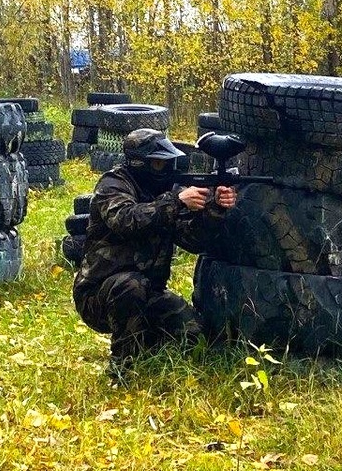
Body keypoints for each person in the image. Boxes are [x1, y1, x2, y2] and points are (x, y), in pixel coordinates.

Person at [73, 128, 237, 379]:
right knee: (130, 286)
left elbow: (191, 240)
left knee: (194, 335)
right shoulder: (113, 184)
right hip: (99, 294)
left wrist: (214, 209)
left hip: (149, 291)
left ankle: (149, 348)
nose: (166, 170)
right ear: (140, 163)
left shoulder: (166, 193)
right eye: (160, 164)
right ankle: (123, 370)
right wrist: (177, 201)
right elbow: (126, 220)